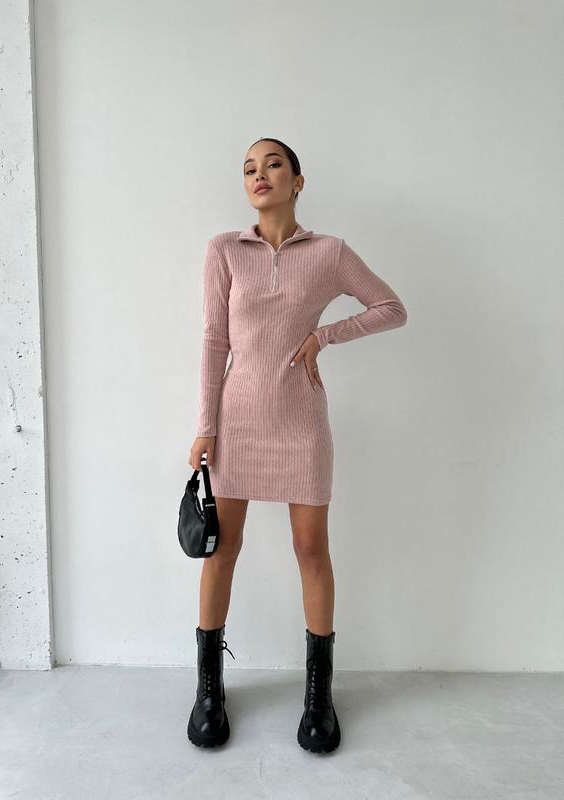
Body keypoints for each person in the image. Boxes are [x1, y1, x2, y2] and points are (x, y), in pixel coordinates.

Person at [186, 137, 408, 752]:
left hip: (302, 423)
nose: (259, 175)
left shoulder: (329, 253)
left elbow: (391, 308)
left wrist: (324, 336)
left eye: (273, 164)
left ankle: (318, 697)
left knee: (311, 551)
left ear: (298, 181)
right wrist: (205, 425)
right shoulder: (224, 250)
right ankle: (209, 690)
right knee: (221, 551)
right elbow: (213, 340)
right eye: (249, 169)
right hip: (236, 423)